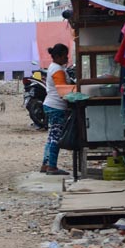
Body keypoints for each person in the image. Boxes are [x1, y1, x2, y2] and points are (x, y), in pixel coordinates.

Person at [41, 42, 71, 175]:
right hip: (56, 106)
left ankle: (45, 164)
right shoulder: (58, 70)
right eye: (65, 56)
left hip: (51, 104)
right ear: (58, 56)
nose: (67, 58)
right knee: (56, 136)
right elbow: (62, 89)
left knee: (51, 135)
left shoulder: (53, 67)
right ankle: (52, 166)